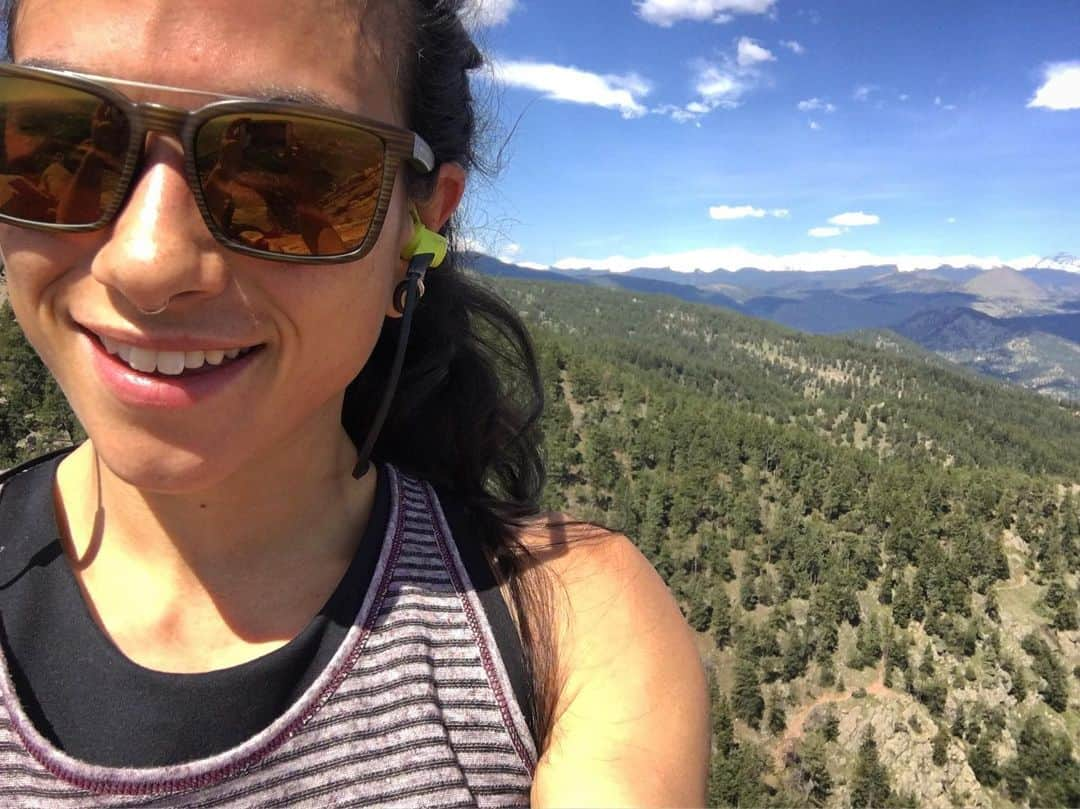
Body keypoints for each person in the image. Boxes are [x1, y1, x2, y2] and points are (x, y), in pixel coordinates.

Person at [0, 0, 709, 805]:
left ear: (419, 226)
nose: (148, 260)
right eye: (58, 140)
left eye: (284, 171)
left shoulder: (571, 626)